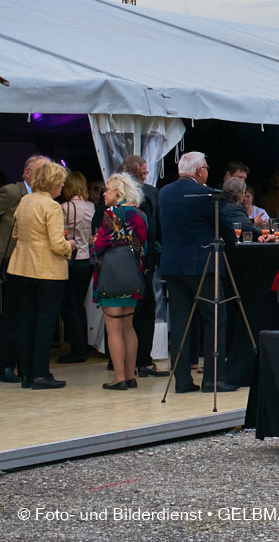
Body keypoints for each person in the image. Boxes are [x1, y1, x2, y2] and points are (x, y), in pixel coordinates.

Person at [160, 152, 239, 393]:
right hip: (203, 264)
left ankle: (182, 381)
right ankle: (213, 379)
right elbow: (224, 227)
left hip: (173, 265)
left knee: (181, 323)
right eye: (205, 168)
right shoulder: (205, 194)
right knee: (214, 320)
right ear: (198, 171)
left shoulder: (164, 193)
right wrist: (232, 243)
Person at [6, 161, 73, 389]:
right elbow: (57, 244)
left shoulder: (25, 200)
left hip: (21, 267)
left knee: (26, 321)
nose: (63, 185)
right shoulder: (52, 206)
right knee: (45, 323)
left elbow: (15, 232)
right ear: (52, 182)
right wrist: (70, 245)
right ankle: (41, 374)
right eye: (61, 181)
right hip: (48, 271)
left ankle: (25, 374)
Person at [92, 173, 149, 390]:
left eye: (108, 189)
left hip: (112, 277)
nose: (104, 193)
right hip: (133, 277)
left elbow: (100, 245)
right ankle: (130, 375)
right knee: (128, 328)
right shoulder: (139, 214)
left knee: (113, 329)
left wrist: (94, 241)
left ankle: (119, 377)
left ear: (119, 192)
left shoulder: (113, 214)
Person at [0, 155, 49, 383]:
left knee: (27, 316)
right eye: (41, 171)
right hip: (11, 261)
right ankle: (7, 365)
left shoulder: (48, 198)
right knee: (11, 316)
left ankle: (26, 366)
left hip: (36, 265)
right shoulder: (11, 192)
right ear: (27, 172)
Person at [118, 155, 167, 378]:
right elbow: (154, 229)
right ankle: (142, 361)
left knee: (121, 311)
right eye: (143, 173)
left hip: (120, 262)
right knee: (144, 308)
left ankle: (120, 361)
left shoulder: (113, 197)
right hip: (141, 259)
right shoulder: (147, 196)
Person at [58, 171, 95, 364]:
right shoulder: (91, 207)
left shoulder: (64, 208)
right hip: (87, 258)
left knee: (68, 306)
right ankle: (83, 345)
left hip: (71, 258)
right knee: (79, 305)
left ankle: (77, 349)